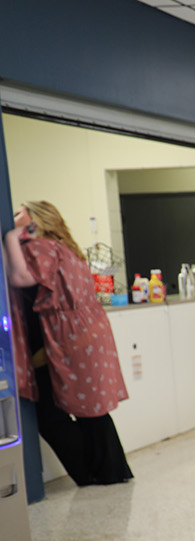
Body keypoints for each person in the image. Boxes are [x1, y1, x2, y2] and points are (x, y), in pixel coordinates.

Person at [4, 201, 132, 486]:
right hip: (89, 331)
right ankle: (111, 471)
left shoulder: (41, 248)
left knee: (53, 415)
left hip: (66, 337)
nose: (14, 215)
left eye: (20, 211)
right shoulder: (65, 247)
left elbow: (18, 277)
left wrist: (12, 238)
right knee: (93, 409)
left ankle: (91, 472)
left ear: (36, 220)